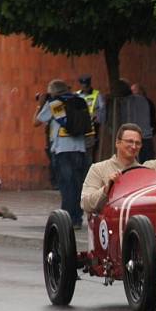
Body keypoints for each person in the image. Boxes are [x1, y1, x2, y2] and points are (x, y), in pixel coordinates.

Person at [34, 79, 88, 229]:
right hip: (80, 149)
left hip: (63, 151)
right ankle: (77, 218)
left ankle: (67, 218)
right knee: (77, 185)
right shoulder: (80, 100)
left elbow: (36, 122)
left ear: (53, 91)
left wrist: (41, 104)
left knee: (66, 186)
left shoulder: (55, 104)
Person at [81, 123, 143, 214]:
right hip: (107, 223)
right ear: (117, 143)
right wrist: (106, 189)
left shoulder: (144, 172)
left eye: (137, 143)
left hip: (137, 223)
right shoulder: (98, 169)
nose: (134, 146)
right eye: (129, 141)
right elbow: (85, 204)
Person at [116, 79, 154, 163]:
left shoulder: (126, 102)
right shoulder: (143, 100)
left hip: (135, 138)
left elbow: (129, 122)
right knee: (147, 164)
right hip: (147, 136)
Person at [76, 74, 105, 165]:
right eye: (83, 85)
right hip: (79, 127)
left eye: (87, 85)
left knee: (90, 152)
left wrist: (98, 118)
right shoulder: (77, 95)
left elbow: (102, 109)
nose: (85, 87)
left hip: (93, 126)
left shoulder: (97, 94)